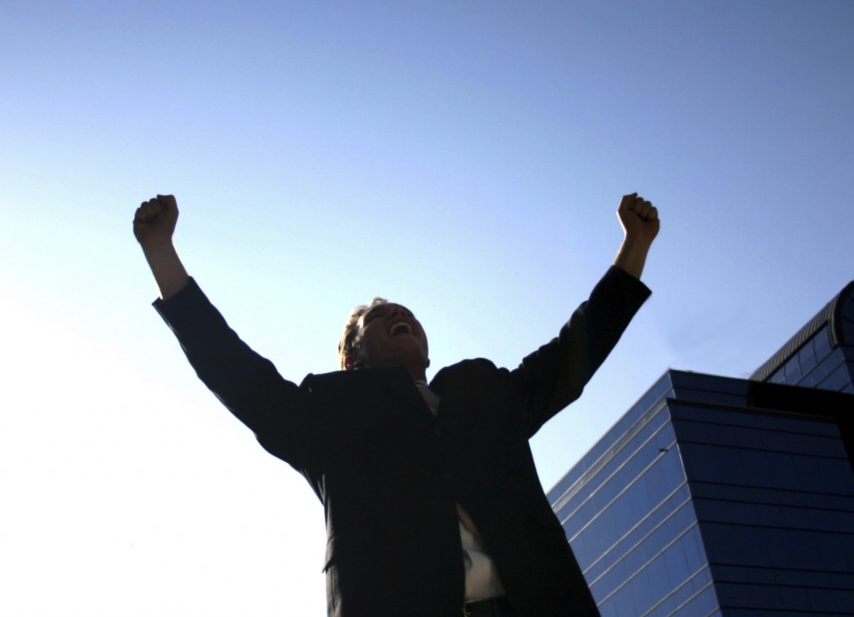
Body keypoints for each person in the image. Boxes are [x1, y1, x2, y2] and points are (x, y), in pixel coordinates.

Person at [133, 192, 659, 617]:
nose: (399, 317)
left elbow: (573, 355)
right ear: (353, 357)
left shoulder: (486, 394)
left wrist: (634, 246)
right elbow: (236, 371)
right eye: (379, 320)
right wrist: (162, 252)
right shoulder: (328, 414)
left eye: (406, 313)